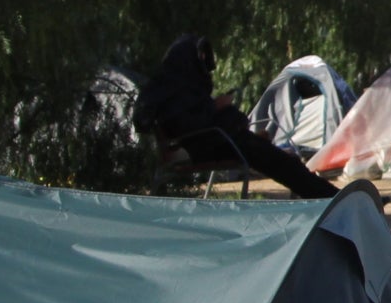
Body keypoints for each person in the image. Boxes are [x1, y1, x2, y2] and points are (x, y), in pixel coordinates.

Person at [133, 33, 338, 199]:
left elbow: (197, 120)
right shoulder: (174, 91)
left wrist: (225, 119)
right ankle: (327, 197)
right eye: (201, 58)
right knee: (277, 160)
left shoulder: (177, 87)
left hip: (217, 142)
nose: (204, 64)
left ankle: (325, 195)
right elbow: (191, 126)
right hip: (203, 147)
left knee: (278, 158)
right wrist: (216, 107)